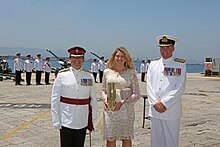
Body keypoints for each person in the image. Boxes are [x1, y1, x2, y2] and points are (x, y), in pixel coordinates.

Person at [51, 46, 98, 147]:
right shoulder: (62, 75)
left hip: (82, 119)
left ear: (83, 59)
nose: (77, 60)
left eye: (79, 57)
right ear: (70, 59)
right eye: (74, 57)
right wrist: (56, 119)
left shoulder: (89, 76)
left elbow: (93, 98)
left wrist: (93, 117)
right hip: (65, 119)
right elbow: (55, 99)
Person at [147, 35, 186, 147]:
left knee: (171, 142)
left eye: (168, 47)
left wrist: (164, 103)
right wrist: (155, 103)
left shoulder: (180, 64)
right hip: (155, 111)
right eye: (162, 47)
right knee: (155, 142)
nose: (165, 50)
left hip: (171, 110)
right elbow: (149, 86)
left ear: (173, 48)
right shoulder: (153, 64)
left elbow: (180, 87)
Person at [102, 46, 140, 147]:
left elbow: (136, 94)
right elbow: (103, 90)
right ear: (113, 57)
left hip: (126, 110)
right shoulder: (107, 72)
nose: (119, 58)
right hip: (110, 110)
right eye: (117, 56)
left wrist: (123, 102)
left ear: (126, 58)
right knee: (110, 139)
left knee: (126, 138)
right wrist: (105, 99)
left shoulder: (131, 72)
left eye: (122, 56)